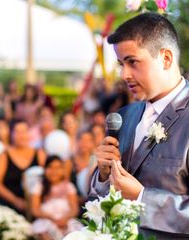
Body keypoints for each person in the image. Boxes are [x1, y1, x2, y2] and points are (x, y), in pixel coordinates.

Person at [90, 13, 189, 239]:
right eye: (120, 64)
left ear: (165, 58)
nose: (124, 75)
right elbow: (98, 200)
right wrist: (103, 176)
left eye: (132, 62)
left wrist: (142, 198)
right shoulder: (123, 117)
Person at [0, 120, 46, 215]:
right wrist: (15, 200)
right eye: (18, 132)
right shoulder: (4, 156)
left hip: (35, 207)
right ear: (11, 134)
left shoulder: (40, 154)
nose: (21, 135)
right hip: (9, 207)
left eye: (24, 131)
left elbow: (48, 177)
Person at [31, 155, 82, 240]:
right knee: (44, 232)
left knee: (75, 232)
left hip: (66, 219)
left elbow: (74, 208)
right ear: (45, 169)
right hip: (47, 218)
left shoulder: (68, 186)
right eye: (50, 167)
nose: (54, 171)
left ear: (63, 170)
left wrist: (65, 219)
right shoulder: (40, 186)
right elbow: (35, 209)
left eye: (58, 168)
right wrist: (52, 218)